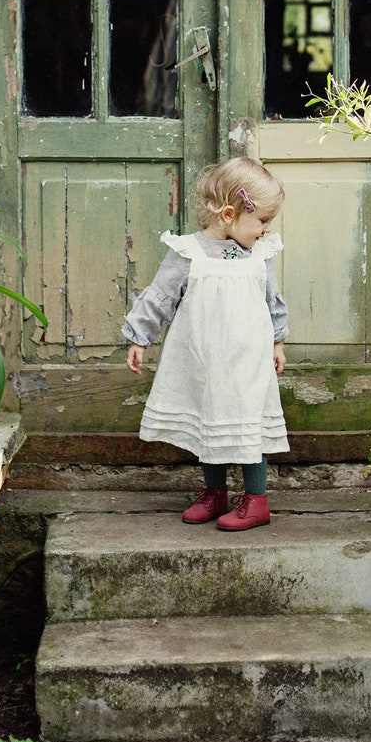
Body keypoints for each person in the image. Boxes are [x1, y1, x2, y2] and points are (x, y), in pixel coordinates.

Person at [122, 157, 289, 531]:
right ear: (229, 213)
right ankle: (215, 493)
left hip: (248, 358)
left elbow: (272, 299)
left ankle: (256, 500)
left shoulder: (260, 253)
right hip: (204, 357)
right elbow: (160, 296)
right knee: (209, 416)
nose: (265, 230)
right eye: (261, 220)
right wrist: (139, 337)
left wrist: (278, 341)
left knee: (248, 422)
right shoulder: (188, 252)